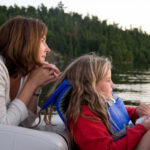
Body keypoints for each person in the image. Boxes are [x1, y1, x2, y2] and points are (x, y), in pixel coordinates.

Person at [43, 53, 150, 150]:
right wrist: (141, 128)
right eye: (108, 80)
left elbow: (118, 112)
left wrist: (136, 112)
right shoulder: (84, 117)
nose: (113, 84)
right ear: (90, 86)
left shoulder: (100, 105)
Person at [0, 16, 60, 126]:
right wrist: (32, 83)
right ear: (24, 42)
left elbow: (26, 123)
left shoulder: (24, 72)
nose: (48, 49)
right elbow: (4, 129)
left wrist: (37, 86)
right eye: (42, 41)